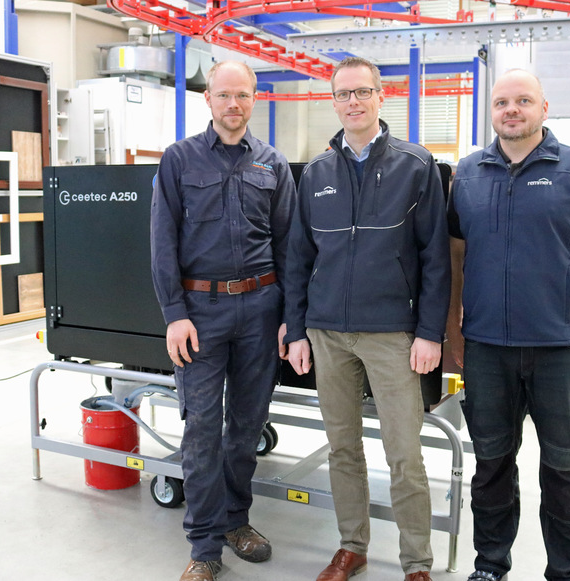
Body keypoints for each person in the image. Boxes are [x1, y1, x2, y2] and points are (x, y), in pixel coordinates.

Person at [447, 69, 570, 581]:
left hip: (561, 350)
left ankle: (569, 573)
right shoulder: (466, 174)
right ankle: (490, 565)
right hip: (488, 349)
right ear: (491, 111)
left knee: (565, 471)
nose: (512, 110)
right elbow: (454, 259)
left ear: (544, 107)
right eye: (502, 102)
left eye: (523, 101)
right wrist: (452, 332)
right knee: (490, 466)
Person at [283, 56, 450, 581]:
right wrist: (297, 329)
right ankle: (352, 545)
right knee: (342, 448)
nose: (352, 102)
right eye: (342, 94)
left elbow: (435, 259)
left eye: (362, 92)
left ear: (382, 97)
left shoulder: (416, 165)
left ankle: (416, 562)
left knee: (405, 454)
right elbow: (297, 260)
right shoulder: (315, 172)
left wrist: (428, 332)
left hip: (392, 335)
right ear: (332, 102)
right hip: (327, 332)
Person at [150, 60, 296, 581]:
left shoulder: (272, 164)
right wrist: (174, 315)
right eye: (224, 95)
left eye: (244, 95)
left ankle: (238, 521)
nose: (234, 104)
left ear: (255, 100)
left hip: (261, 310)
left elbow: (288, 247)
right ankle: (205, 546)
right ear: (208, 99)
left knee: (246, 427)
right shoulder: (179, 160)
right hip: (200, 315)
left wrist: (288, 317)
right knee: (203, 429)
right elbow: (163, 243)